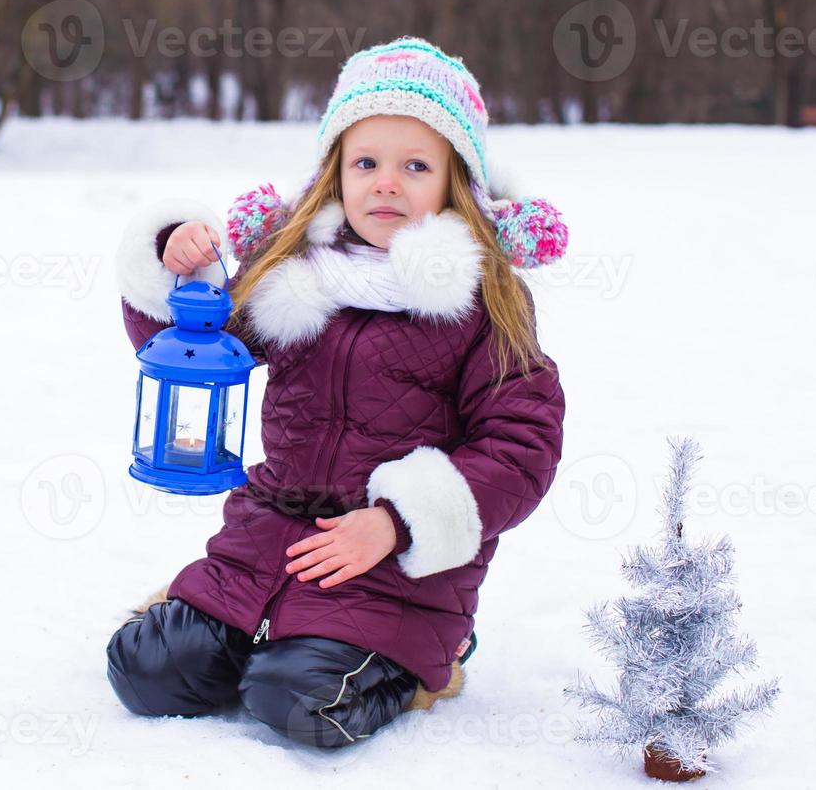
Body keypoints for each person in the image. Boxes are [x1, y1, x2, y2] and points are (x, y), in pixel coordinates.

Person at [106, 36, 569, 749]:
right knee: (146, 671)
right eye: (367, 163)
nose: (387, 183)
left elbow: (521, 447)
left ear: (455, 184)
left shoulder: (480, 302)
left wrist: (397, 521)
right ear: (336, 174)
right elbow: (190, 349)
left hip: (391, 573)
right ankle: (253, 635)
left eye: (415, 166)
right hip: (262, 547)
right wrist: (179, 261)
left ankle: (426, 667)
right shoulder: (297, 275)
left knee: (295, 700)